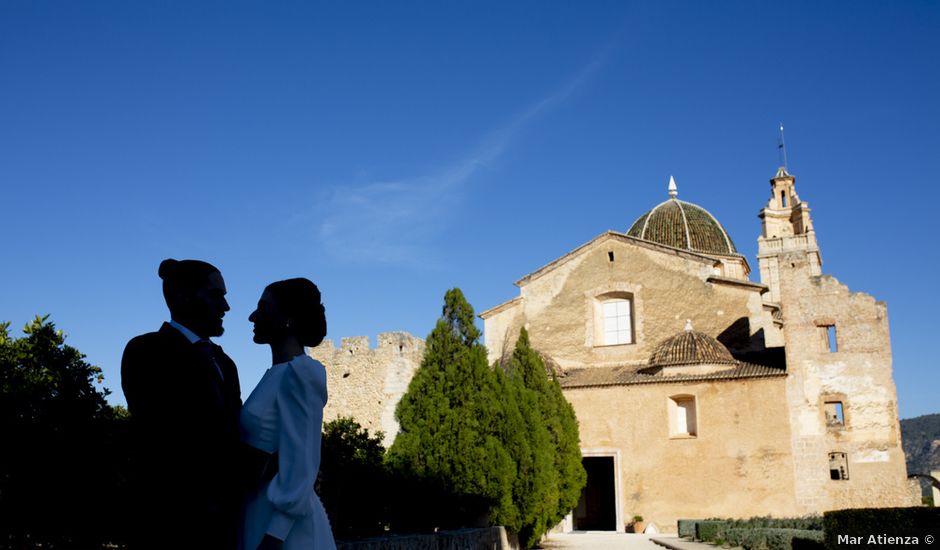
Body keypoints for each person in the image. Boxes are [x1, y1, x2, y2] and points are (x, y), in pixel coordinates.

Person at [121, 259, 242, 549]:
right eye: (216, 295)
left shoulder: (225, 362)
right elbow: (164, 435)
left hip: (225, 528)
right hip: (169, 526)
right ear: (182, 297)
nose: (225, 307)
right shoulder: (146, 351)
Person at [240, 278, 336, 550]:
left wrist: (273, 538)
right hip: (257, 512)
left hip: (285, 531)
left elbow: (302, 465)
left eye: (263, 308)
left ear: (288, 319)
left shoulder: (301, 373)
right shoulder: (275, 375)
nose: (252, 316)